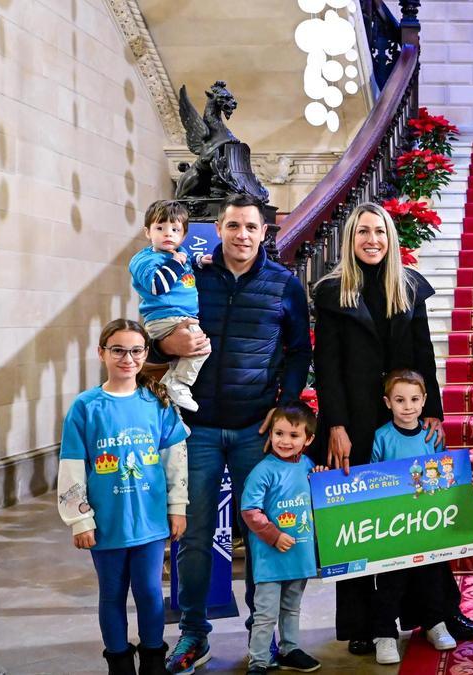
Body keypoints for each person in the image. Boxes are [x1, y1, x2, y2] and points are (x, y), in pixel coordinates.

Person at [310, 202, 473, 655]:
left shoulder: (408, 288)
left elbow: (424, 356)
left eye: (380, 232)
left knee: (425, 515)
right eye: (363, 232)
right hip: (355, 422)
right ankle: (363, 622)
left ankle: (437, 611)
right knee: (359, 523)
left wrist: (435, 414)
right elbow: (326, 366)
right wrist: (337, 426)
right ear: (351, 239)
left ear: (391, 238)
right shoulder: (331, 291)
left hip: (407, 415)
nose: (372, 240)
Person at [156, 193, 313, 675]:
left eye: (251, 226)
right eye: (233, 226)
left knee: (263, 535)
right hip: (198, 428)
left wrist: (283, 405)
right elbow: (159, 330)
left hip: (253, 429)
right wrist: (166, 341)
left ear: (265, 231)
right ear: (219, 229)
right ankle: (193, 635)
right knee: (196, 536)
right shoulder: (192, 278)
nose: (242, 234)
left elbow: (299, 352)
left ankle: (266, 638)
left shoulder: (285, 285)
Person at [56, 319, 189, 675]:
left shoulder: (157, 402)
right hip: (106, 523)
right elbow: (72, 466)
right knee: (112, 594)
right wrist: (79, 519)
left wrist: (177, 507)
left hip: (149, 520)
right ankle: (118, 663)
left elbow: (175, 461)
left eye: (135, 350)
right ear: (102, 353)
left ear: (145, 354)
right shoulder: (86, 407)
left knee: (148, 591)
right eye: (118, 350)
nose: (127, 358)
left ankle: (152, 660)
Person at [366, 369, 460, 664]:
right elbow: (372, 477)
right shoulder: (381, 437)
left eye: (414, 399)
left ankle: (434, 623)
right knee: (391, 580)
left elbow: (443, 473)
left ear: (424, 401)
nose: (408, 406)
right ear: (387, 402)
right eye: (400, 400)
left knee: (430, 576)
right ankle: (384, 633)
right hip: (393, 525)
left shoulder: (431, 436)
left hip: (426, 521)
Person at [239, 404, 325, 674]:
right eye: (279, 433)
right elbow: (249, 510)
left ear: (308, 439)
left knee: (292, 607)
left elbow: (317, 501)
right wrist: (274, 536)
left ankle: (290, 649)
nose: (285, 441)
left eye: (293, 435)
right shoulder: (264, 470)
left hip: (299, 555)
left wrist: (322, 481)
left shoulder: (309, 466)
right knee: (264, 614)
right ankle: (259, 660)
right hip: (270, 558)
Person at [127, 200, 210, 411]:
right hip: (166, 317)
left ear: (183, 236)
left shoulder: (178, 253)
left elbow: (188, 259)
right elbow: (157, 285)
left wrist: (199, 260)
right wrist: (176, 263)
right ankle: (179, 383)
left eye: (175, 230)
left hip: (179, 316)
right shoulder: (145, 260)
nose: (168, 234)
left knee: (182, 359)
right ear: (148, 232)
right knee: (202, 347)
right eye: (160, 228)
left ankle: (171, 397)